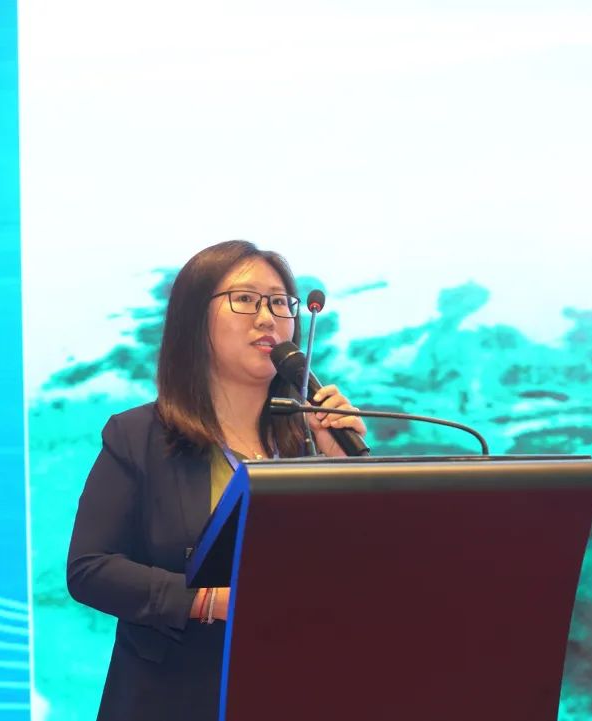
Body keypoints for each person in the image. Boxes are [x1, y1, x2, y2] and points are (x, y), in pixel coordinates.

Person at [66, 240, 367, 721]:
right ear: (194, 320)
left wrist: (344, 465)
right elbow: (90, 569)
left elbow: (363, 576)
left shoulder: (309, 444)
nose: (267, 318)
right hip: (173, 699)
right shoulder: (139, 436)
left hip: (295, 690)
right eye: (245, 299)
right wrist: (208, 601)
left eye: (279, 302)